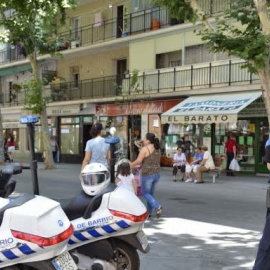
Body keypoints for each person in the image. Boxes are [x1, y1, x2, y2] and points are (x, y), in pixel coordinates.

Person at [131, 133, 162, 218]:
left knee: (145, 193)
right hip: (157, 173)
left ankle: (157, 206)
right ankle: (149, 213)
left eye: (145, 139)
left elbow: (138, 161)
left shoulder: (145, 149)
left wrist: (129, 165)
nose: (143, 140)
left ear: (148, 140)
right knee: (150, 194)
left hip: (147, 174)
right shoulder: (157, 148)